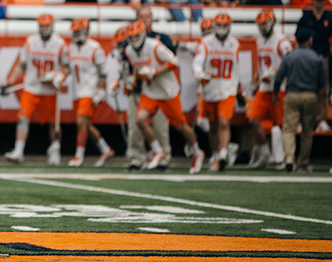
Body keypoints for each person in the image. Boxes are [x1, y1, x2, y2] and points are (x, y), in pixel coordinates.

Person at [125, 20, 206, 173]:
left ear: (143, 35)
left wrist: (155, 72)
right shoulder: (129, 51)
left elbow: (175, 61)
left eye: (137, 37)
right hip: (150, 92)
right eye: (132, 37)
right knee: (140, 119)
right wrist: (133, 79)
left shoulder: (154, 46)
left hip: (168, 92)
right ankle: (157, 150)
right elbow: (137, 66)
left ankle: (197, 152)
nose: (135, 41)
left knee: (180, 125)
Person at [5, 14, 64, 164]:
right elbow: (22, 64)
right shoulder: (31, 41)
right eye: (42, 26)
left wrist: (58, 75)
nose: (44, 29)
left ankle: (55, 149)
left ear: (52, 26)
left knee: (54, 122)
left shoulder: (60, 43)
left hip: (50, 89)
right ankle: (18, 150)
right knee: (23, 118)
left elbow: (67, 67)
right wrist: (10, 81)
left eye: (47, 26)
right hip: (32, 86)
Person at [126, 6, 174, 170]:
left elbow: (172, 62)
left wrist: (154, 72)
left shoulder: (160, 40)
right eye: (141, 17)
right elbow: (128, 64)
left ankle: (163, 157)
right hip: (140, 89)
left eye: (147, 16)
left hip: (158, 89)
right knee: (135, 126)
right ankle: (136, 158)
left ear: (152, 19)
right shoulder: (130, 42)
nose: (144, 20)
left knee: (160, 126)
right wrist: (129, 80)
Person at [273, 27, 327, 173]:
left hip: (292, 94)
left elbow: (279, 77)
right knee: (307, 131)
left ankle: (289, 158)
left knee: (289, 128)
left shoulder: (289, 57)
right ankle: (303, 162)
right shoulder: (316, 57)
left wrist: (276, 93)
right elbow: (322, 81)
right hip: (310, 95)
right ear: (310, 40)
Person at [62, 18, 114, 167]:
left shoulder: (95, 48)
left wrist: (101, 89)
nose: (76, 34)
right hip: (76, 90)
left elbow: (103, 73)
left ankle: (79, 156)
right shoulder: (70, 48)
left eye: (79, 31)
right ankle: (106, 149)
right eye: (75, 32)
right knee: (86, 124)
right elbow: (67, 67)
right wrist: (59, 76)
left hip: (90, 90)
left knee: (81, 122)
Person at [192, 14, 241, 171]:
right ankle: (214, 154)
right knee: (212, 126)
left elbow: (237, 68)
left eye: (224, 26)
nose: (221, 30)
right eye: (219, 26)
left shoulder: (235, 44)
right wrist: (199, 73)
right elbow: (197, 62)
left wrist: (239, 86)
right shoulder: (206, 43)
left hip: (228, 89)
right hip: (210, 89)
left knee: (224, 122)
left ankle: (224, 154)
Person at [248, 9, 292, 169]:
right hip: (264, 87)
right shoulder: (260, 41)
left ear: (272, 22)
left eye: (265, 23)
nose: (263, 27)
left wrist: (276, 72)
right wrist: (257, 80)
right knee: (254, 119)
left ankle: (281, 158)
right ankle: (266, 153)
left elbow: (289, 62)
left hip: (278, 87)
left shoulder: (282, 41)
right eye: (260, 24)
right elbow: (260, 64)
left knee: (279, 125)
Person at [297, 0, 332, 130]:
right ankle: (305, 119)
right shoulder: (306, 16)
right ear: (313, 0)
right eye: (317, 0)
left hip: (323, 55)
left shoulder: (329, 16)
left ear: (325, 1)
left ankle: (321, 119)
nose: (319, 3)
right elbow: (298, 34)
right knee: (305, 88)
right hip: (307, 55)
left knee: (322, 88)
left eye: (322, 0)